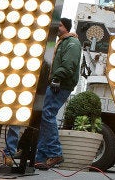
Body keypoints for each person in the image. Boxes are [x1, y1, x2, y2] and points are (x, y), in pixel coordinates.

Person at [34, 18, 81, 170]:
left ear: (66, 28)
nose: (57, 27)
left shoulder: (72, 43)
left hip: (61, 84)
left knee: (47, 114)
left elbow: (68, 65)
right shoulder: (61, 42)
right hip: (56, 83)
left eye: (60, 25)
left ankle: (55, 152)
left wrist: (56, 78)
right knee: (44, 116)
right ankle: (40, 157)